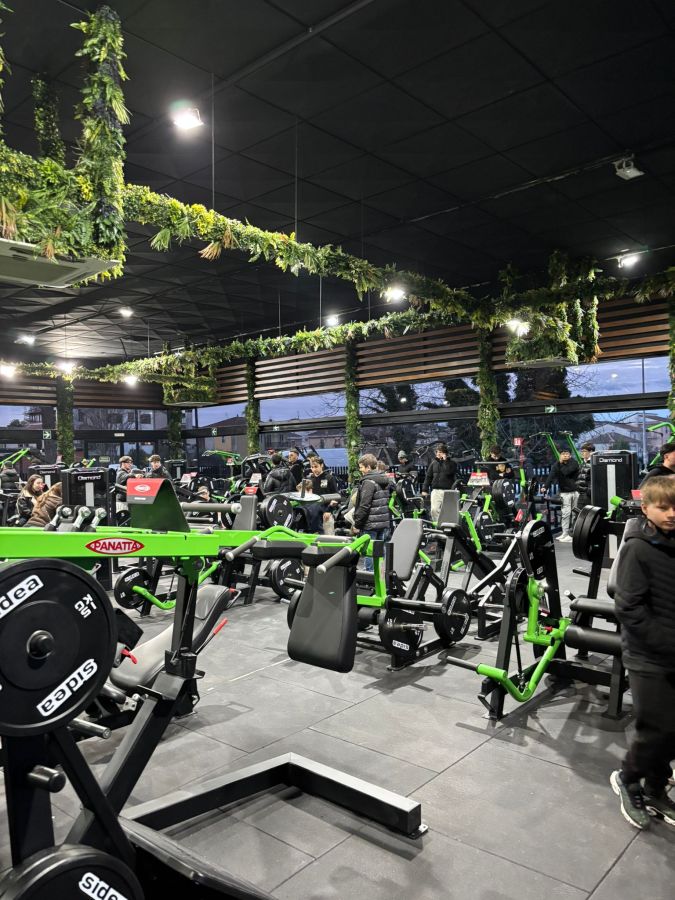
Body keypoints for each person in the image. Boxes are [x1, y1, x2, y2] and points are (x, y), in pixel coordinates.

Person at [610, 476, 675, 830]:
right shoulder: (636, 548)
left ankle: (655, 787)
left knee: (673, 731)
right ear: (646, 508)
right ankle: (628, 779)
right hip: (646, 655)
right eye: (663, 507)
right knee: (657, 728)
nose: (671, 514)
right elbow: (629, 608)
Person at [353, 453, 393, 571]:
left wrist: (357, 524)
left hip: (370, 524)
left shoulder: (368, 482)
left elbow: (364, 505)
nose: (360, 470)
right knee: (380, 550)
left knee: (370, 551)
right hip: (383, 523)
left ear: (368, 467)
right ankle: (381, 576)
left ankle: (370, 578)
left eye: (361, 467)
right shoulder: (385, 480)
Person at [543, 448, 580, 542]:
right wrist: (545, 487)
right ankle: (565, 533)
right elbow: (551, 476)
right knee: (565, 513)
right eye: (563, 454)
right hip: (564, 493)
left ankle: (573, 534)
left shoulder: (574, 463)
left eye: (567, 454)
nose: (565, 455)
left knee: (575, 513)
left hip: (575, 492)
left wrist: (560, 464)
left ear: (570, 455)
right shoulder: (557, 465)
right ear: (560, 455)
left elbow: (566, 472)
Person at [422, 443, 458, 523]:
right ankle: (438, 527)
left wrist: (445, 461)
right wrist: (424, 489)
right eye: (437, 452)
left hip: (448, 491)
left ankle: (447, 527)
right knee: (434, 510)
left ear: (445, 453)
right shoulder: (433, 463)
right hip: (436, 491)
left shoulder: (452, 463)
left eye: (440, 452)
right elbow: (428, 477)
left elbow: (449, 472)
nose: (438, 453)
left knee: (447, 511)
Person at [304, 455, 339, 534]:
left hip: (326, 514)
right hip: (312, 515)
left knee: (328, 540)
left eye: (316, 467)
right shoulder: (309, 479)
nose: (314, 469)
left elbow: (336, 496)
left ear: (322, 465)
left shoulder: (329, 478)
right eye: (312, 467)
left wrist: (329, 511)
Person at [575, 443, 595, 509]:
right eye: (582, 451)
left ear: (591, 452)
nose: (582, 453)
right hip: (581, 493)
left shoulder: (594, 463)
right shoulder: (582, 463)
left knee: (584, 515)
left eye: (584, 451)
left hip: (587, 494)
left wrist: (588, 491)